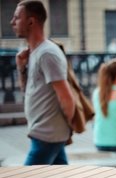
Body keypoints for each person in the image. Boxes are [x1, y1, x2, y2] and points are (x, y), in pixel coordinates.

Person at [11, 0, 75, 165]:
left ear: (31, 21)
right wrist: (21, 67)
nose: (12, 22)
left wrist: (63, 127)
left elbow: (66, 98)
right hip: (48, 133)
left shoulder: (47, 54)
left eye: (17, 18)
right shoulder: (35, 52)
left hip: (47, 135)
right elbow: (28, 92)